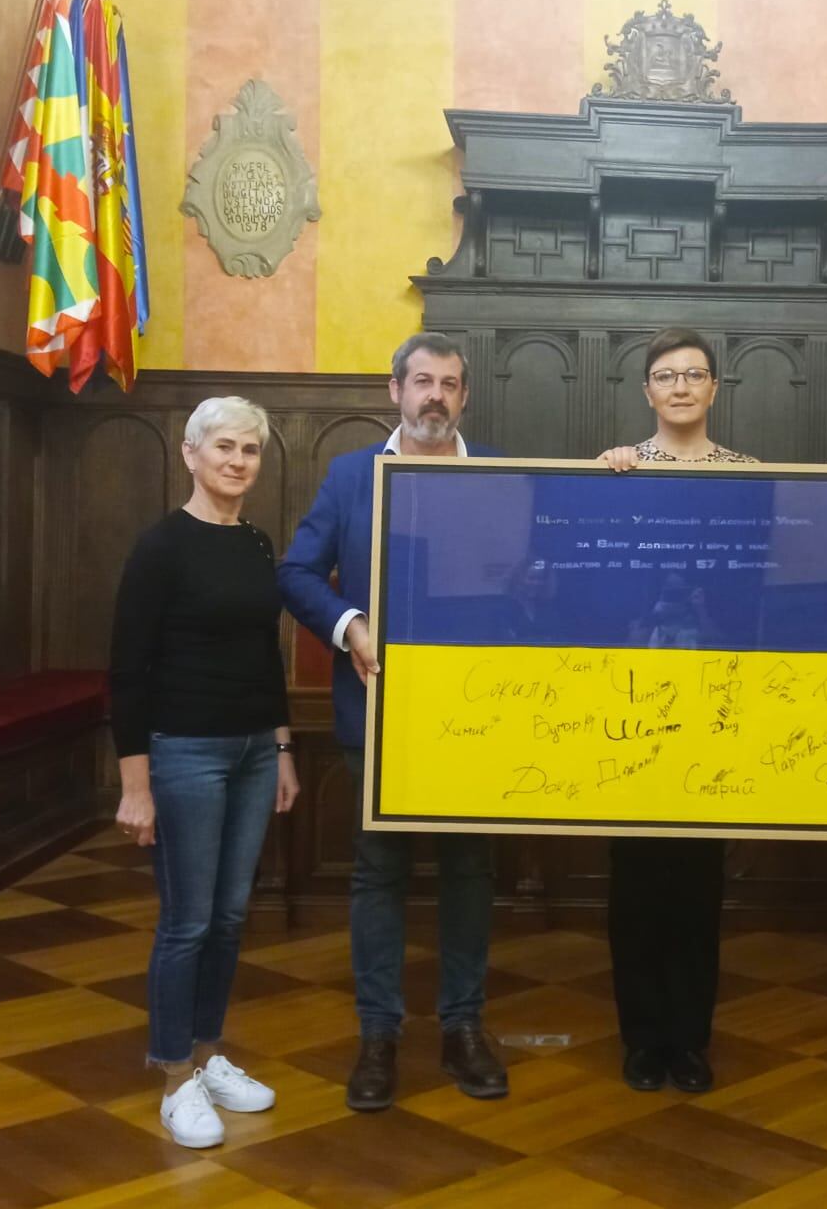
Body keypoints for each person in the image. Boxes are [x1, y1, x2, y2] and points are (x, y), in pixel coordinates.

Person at [278, 332, 508, 1109]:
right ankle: (378, 1034)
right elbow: (297, 572)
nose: (434, 395)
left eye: (448, 383)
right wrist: (349, 626)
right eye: (421, 381)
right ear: (394, 390)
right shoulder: (350, 477)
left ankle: (462, 1028)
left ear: (464, 396)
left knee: (469, 873)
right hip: (376, 713)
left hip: (476, 716)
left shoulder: (500, 477)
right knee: (379, 875)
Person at [109, 395, 300, 1149]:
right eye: (223, 447)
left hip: (255, 749)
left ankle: (209, 1053)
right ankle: (172, 1075)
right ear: (190, 454)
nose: (236, 461)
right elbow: (126, 671)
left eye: (249, 450)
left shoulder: (256, 543)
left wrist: (282, 748)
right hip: (183, 751)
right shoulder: (160, 547)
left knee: (228, 916)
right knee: (186, 922)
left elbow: (264, 655)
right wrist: (134, 783)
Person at [599, 326, 756, 1095]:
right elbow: (589, 588)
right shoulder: (618, 472)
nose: (681, 386)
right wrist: (594, 488)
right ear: (648, 391)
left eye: (694, 374)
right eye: (666, 375)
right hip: (631, 699)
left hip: (717, 700)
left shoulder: (749, 475)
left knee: (697, 881)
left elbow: (762, 591)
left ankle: (690, 1039)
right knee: (634, 879)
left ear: (714, 388)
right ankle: (641, 1039)